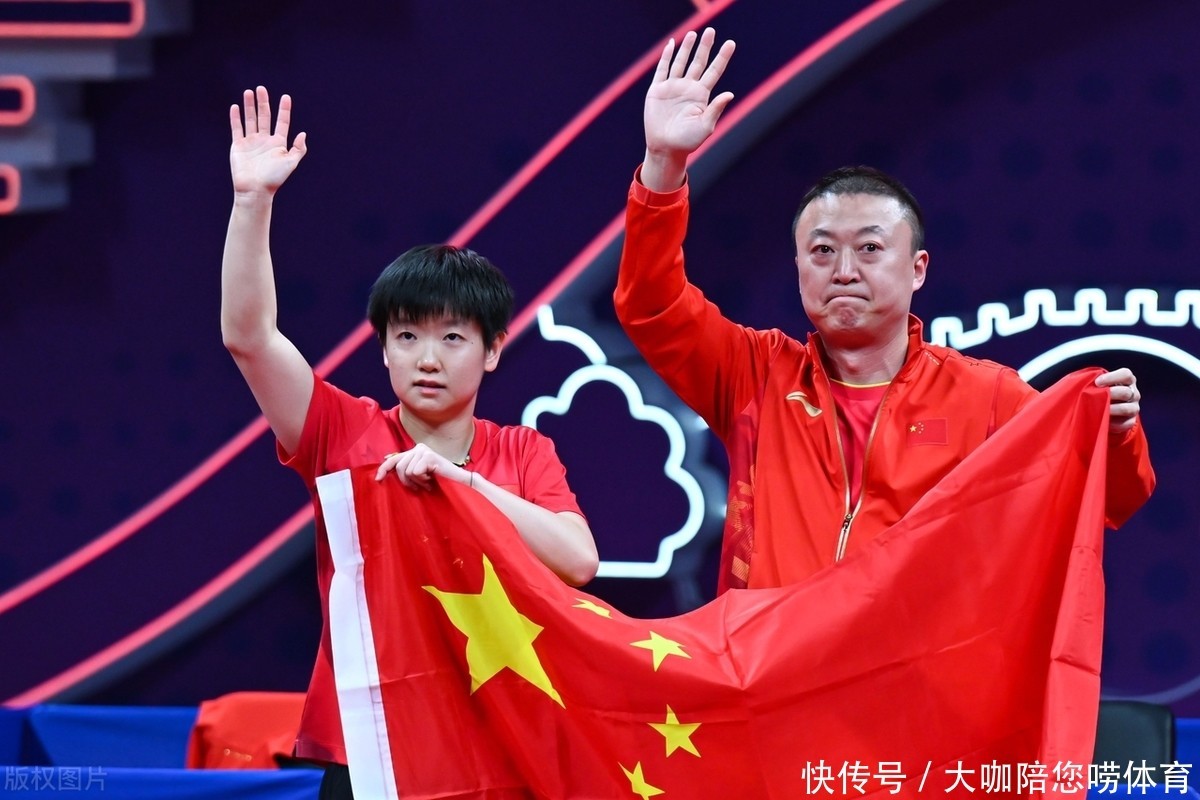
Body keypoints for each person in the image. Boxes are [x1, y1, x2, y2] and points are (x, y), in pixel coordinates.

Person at [614, 29, 1154, 593]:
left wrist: (1117, 434)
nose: (844, 270)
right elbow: (651, 303)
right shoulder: (754, 377)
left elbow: (1107, 498)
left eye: (870, 248)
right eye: (822, 251)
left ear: (917, 269)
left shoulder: (988, 398)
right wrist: (663, 162)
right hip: (768, 650)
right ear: (798, 266)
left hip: (918, 653)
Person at [220, 86, 598, 799]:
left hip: (498, 745)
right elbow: (249, 337)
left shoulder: (523, 454)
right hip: (369, 750)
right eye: (407, 337)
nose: (428, 358)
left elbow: (578, 560)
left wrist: (465, 484)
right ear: (384, 351)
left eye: (453, 337)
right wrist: (251, 202)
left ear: (492, 351)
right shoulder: (341, 432)